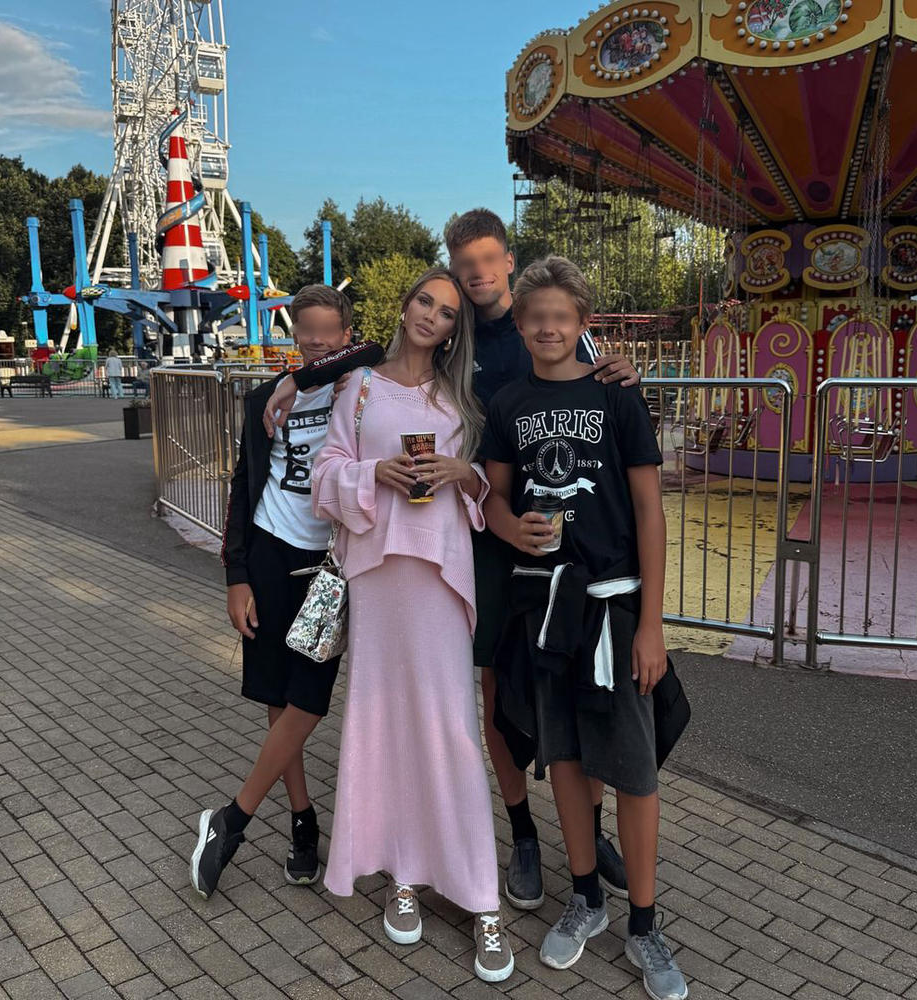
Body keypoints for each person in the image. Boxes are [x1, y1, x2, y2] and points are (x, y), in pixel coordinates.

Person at [261, 210, 640, 910]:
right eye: (463, 267)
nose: (475, 276)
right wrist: (296, 378)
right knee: (493, 697)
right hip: (477, 539)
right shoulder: (438, 351)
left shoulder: (538, 324)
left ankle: (591, 832)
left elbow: (585, 365)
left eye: (486, 262)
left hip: (552, 533)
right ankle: (522, 834)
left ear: (507, 260)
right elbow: (363, 361)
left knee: (571, 686)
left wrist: (619, 370)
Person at [481, 256, 688, 1000]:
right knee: (564, 758)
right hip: (544, 607)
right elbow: (493, 499)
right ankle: (586, 897)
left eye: (561, 316)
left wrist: (652, 625)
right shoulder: (508, 403)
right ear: (520, 323)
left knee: (633, 769)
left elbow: (649, 511)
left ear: (582, 323)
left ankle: (645, 924)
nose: (548, 328)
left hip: (613, 604)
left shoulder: (616, 398)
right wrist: (511, 529)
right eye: (535, 316)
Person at [310, 268, 514, 983]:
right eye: (425, 301)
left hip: (439, 575)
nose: (432, 315)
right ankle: (401, 871)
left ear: (456, 329)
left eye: (447, 311)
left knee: (452, 730)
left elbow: (483, 486)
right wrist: (374, 475)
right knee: (382, 723)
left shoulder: (459, 397)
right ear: (404, 307)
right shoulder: (359, 388)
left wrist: (462, 474)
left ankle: (481, 897)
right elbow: (324, 473)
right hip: (376, 576)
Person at [189, 285, 383, 899]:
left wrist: (303, 379)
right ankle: (302, 820)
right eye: (307, 333)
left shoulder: (363, 388)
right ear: (293, 333)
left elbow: (382, 347)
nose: (317, 343)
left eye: (329, 333)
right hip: (272, 555)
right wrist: (236, 576)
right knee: (279, 699)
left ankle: (233, 819)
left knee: (310, 700)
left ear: (346, 334)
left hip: (331, 565)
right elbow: (243, 489)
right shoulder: (261, 399)